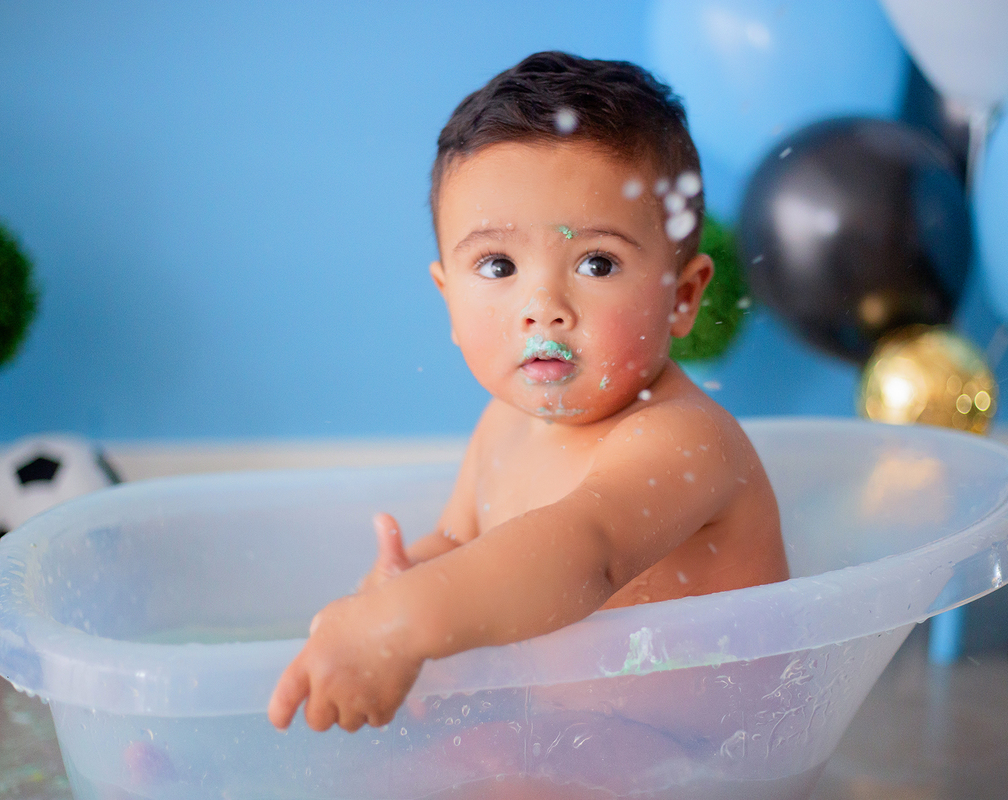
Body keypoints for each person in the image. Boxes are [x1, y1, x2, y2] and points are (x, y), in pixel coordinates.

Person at [268, 51, 788, 736]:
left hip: (692, 762)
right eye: (498, 265)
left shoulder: (683, 438)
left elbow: (585, 551)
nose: (542, 306)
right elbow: (458, 543)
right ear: (447, 296)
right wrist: (394, 593)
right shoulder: (502, 425)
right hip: (560, 739)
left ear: (683, 297)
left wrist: (405, 621)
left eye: (596, 263)